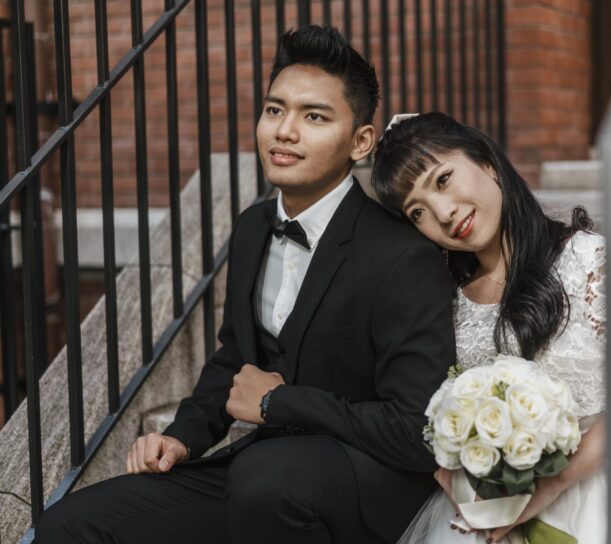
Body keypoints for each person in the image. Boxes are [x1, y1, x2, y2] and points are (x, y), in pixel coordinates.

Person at [36, 26, 456, 544]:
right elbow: (234, 359)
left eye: (314, 116)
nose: (284, 131)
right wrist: (182, 437)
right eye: (275, 110)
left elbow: (415, 429)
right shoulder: (253, 227)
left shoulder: (403, 255)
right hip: (264, 473)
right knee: (69, 526)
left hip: (366, 485)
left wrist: (279, 405)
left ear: (361, 141)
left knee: (268, 481)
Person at [371, 112, 611, 544]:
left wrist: (548, 488)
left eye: (443, 180)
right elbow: (431, 416)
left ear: (488, 163)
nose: (443, 211)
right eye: (417, 211)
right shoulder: (447, 303)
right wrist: (465, 484)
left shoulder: (589, 261)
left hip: (601, 478)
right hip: (494, 498)